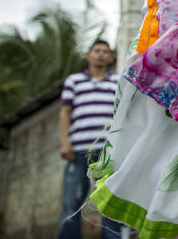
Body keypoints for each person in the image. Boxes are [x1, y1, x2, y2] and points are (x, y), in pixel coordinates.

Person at [57, 39, 123, 239]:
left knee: (110, 205)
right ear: (88, 56)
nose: (101, 54)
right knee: (72, 203)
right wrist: (64, 142)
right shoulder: (74, 81)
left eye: (105, 51)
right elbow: (65, 113)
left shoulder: (117, 81)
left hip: (108, 152)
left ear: (111, 58)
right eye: (97, 50)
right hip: (78, 151)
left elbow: (122, 113)